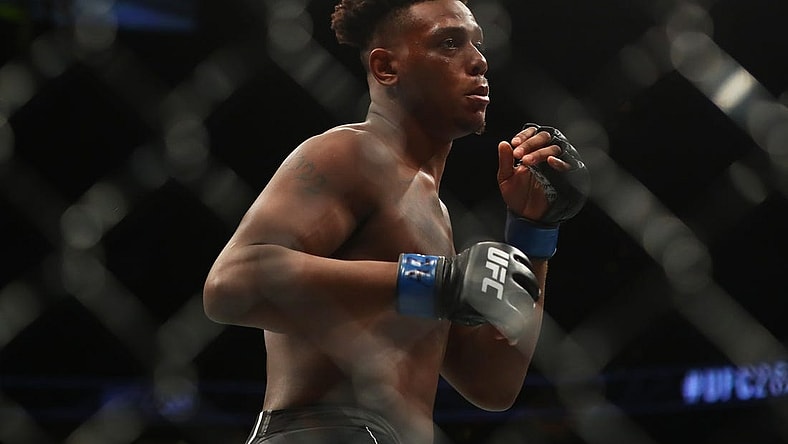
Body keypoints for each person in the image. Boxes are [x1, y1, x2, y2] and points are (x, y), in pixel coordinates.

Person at [202, 0, 589, 443]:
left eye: (477, 45)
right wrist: (435, 282)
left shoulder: (434, 213)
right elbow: (231, 284)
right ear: (386, 67)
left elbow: (492, 383)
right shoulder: (345, 153)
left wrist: (532, 230)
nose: (479, 61)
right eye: (448, 43)